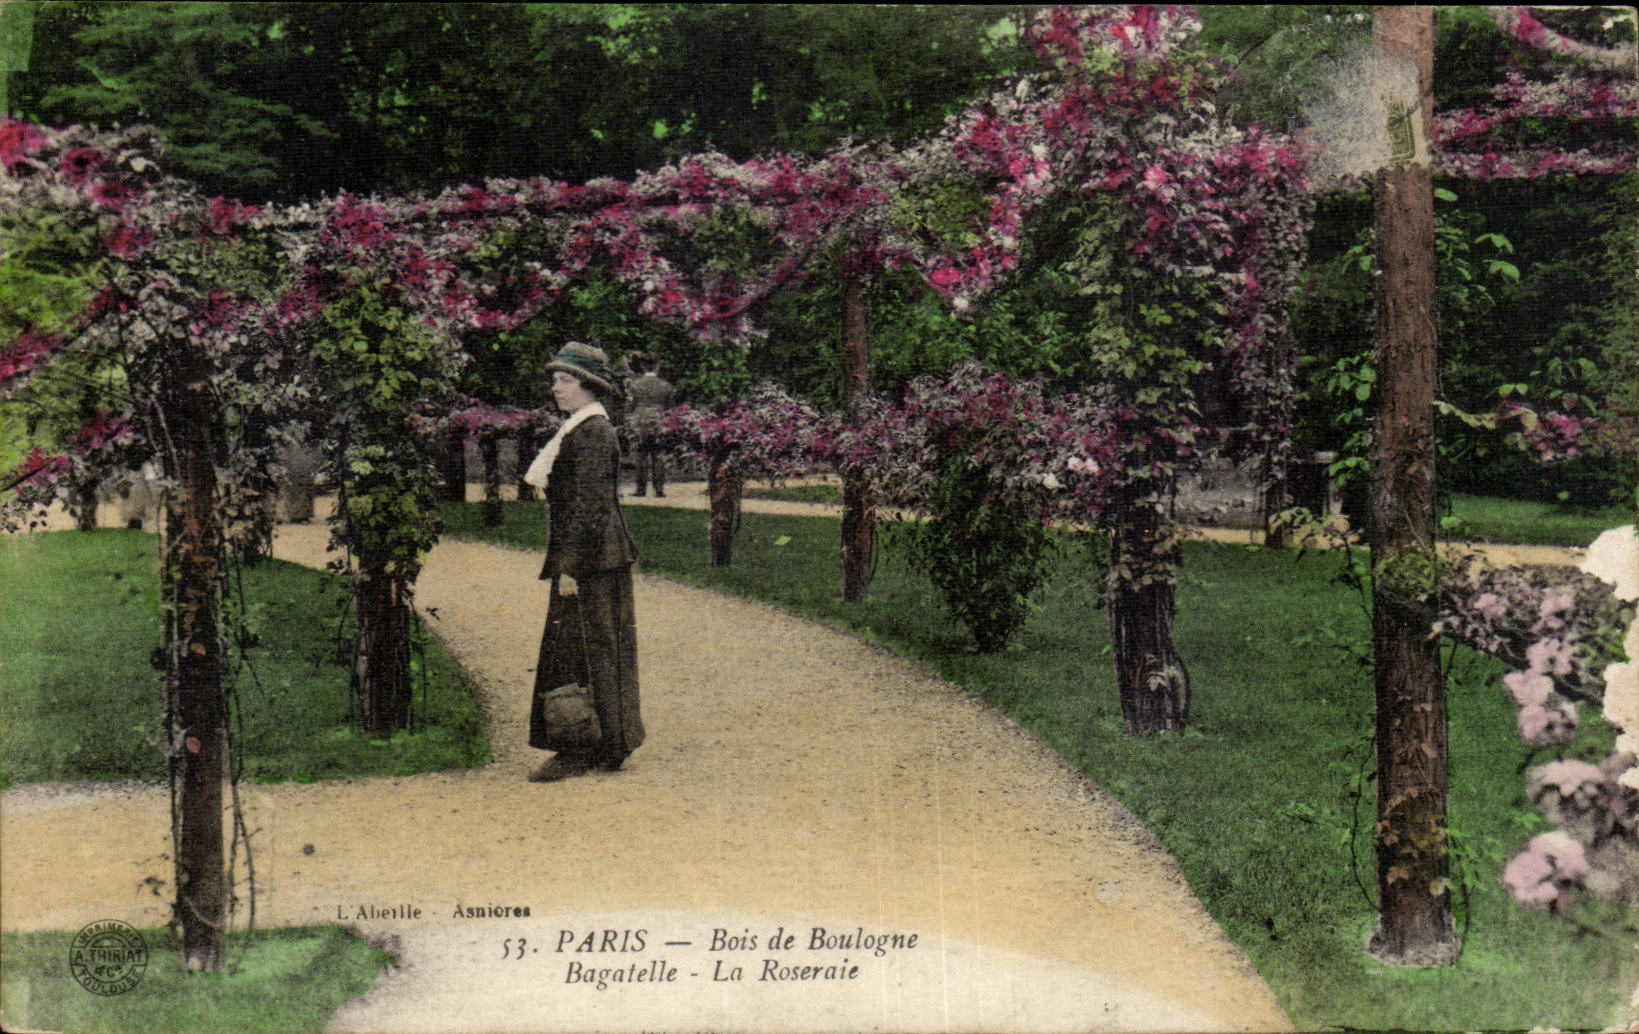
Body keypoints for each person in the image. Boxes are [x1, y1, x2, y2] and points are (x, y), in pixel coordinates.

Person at [522, 342, 644, 781]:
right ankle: (605, 742)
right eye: (555, 380)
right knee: (593, 649)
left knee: (584, 651)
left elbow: (590, 507)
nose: (556, 388)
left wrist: (570, 566)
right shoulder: (580, 429)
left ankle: (583, 747)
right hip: (597, 557)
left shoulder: (592, 432)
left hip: (592, 560)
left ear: (588, 386)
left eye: (565, 380)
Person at [624, 353, 677, 498]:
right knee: (659, 456)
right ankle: (659, 490)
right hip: (660, 423)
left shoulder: (635, 385)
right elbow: (671, 408)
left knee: (640, 456)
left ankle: (640, 489)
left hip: (639, 423)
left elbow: (629, 407)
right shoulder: (666, 386)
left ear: (642, 366)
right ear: (658, 365)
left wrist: (628, 424)